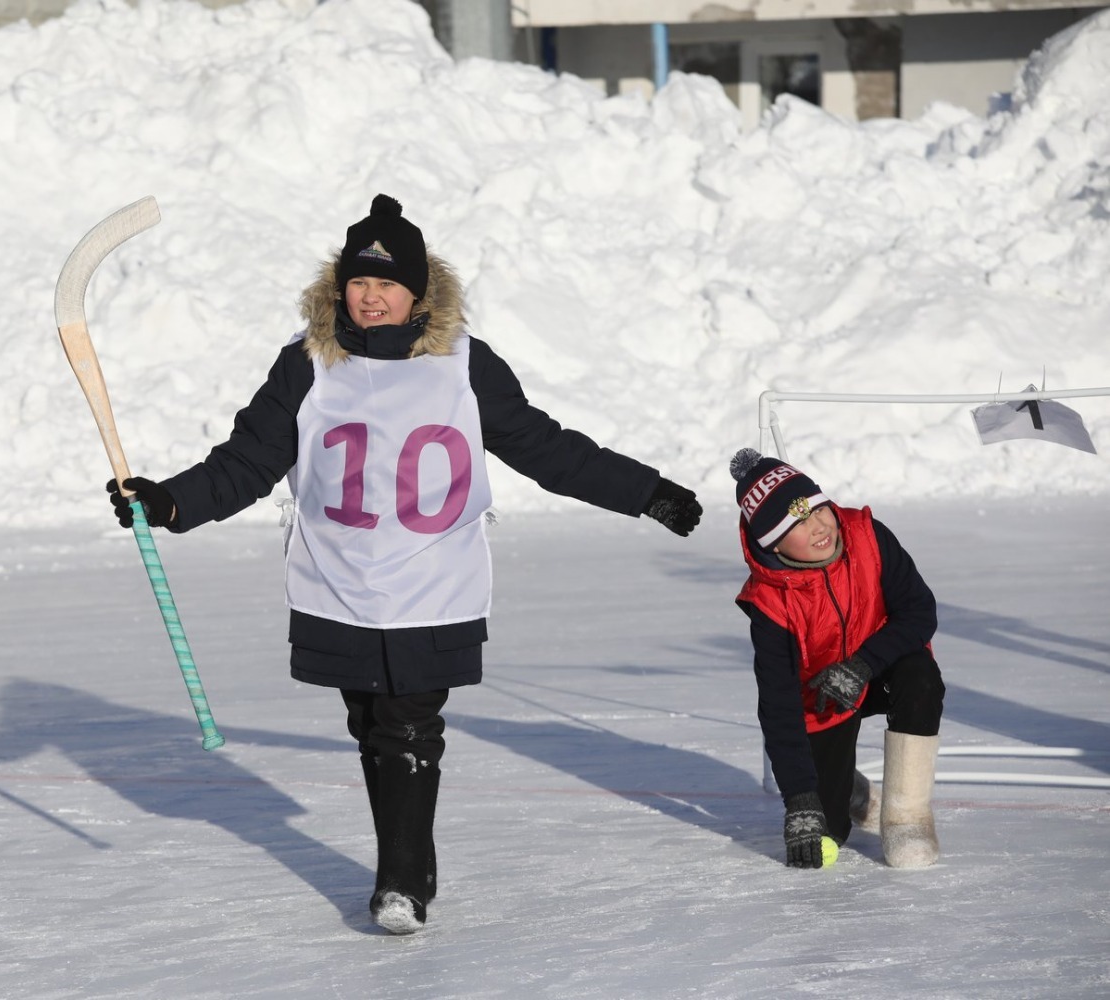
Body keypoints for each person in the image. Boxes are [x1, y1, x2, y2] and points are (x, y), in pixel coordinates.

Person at [106, 194, 704, 934]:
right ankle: (408, 862)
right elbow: (248, 461)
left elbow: (544, 448)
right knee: (371, 720)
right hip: (338, 579)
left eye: (387, 285)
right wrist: (169, 503)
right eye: (359, 284)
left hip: (433, 578)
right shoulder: (306, 365)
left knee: (409, 723)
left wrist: (645, 492)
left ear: (419, 292)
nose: (372, 296)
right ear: (339, 290)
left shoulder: (463, 364)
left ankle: (401, 883)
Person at [729, 447, 945, 869]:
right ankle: (849, 792)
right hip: (821, 703)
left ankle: (906, 816)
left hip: (881, 672)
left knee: (919, 675)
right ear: (773, 542)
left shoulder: (869, 536)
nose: (818, 526)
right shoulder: (769, 604)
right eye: (797, 523)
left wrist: (863, 665)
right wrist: (802, 801)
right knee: (827, 836)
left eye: (816, 509)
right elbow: (778, 705)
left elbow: (920, 612)